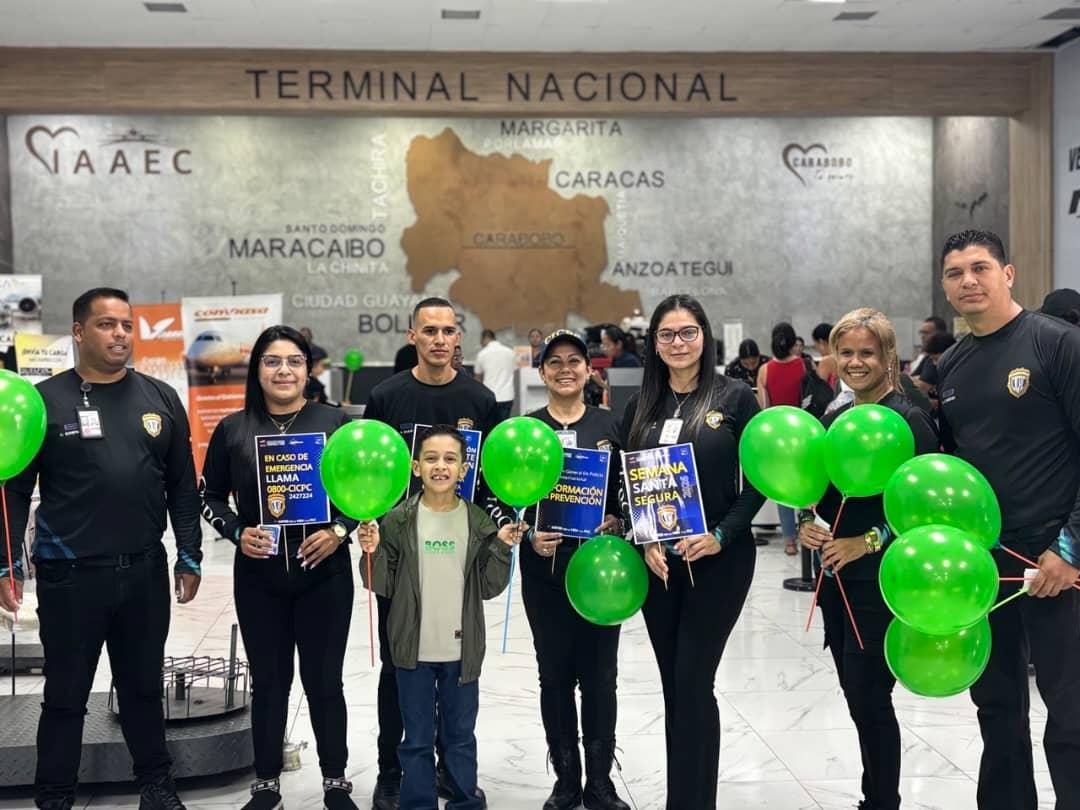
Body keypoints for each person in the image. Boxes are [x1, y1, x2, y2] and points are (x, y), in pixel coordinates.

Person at [0, 287, 202, 810]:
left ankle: (157, 788)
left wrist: (189, 552)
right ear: (78, 332)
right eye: (107, 325)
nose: (120, 334)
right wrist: (6, 562)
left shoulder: (160, 398)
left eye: (126, 325)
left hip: (143, 571)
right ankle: (54, 797)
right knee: (65, 697)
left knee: (143, 690)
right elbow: (14, 490)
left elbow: (182, 485)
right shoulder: (45, 401)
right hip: (70, 576)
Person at [199, 325, 376, 810]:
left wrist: (338, 530)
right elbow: (209, 496)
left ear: (308, 369)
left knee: (325, 682)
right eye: (272, 361)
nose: (284, 370)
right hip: (260, 574)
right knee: (270, 684)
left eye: (294, 361)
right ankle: (266, 784)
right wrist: (237, 531)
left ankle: (336, 780)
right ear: (257, 369)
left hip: (324, 571)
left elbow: (364, 492)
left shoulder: (334, 423)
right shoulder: (233, 428)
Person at [936, 229, 1080, 810]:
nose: (968, 281)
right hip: (985, 566)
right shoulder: (951, 364)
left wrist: (1070, 548)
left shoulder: (1057, 344)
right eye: (955, 273)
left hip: (1057, 564)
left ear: (1009, 274)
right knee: (996, 709)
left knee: (1071, 714)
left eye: (981, 268)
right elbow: (954, 468)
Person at [621, 295, 764, 810]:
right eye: (667, 334)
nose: (677, 343)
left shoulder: (736, 398)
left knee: (693, 680)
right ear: (654, 344)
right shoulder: (641, 406)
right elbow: (628, 485)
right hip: (659, 566)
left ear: (704, 336)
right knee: (674, 686)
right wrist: (644, 538)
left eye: (687, 332)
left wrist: (722, 534)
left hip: (719, 559)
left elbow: (761, 481)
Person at [364, 297, 504, 810]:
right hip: (402, 556)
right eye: (429, 331)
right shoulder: (386, 396)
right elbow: (371, 474)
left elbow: (490, 480)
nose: (439, 339)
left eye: (448, 331)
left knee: (455, 668)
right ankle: (392, 771)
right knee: (399, 668)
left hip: (458, 554)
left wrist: (496, 537)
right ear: (413, 336)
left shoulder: (480, 399)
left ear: (458, 338)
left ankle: (451, 771)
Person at [799, 308, 938, 810]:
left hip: (884, 580)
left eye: (866, 353)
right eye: (846, 353)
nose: (855, 362)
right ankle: (873, 796)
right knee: (857, 698)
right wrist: (806, 521)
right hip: (836, 579)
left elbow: (926, 508)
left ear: (888, 356)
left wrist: (869, 541)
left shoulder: (910, 420)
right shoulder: (834, 420)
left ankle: (882, 801)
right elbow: (816, 491)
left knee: (871, 697)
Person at [364, 426, 522, 810]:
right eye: (431, 458)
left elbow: (489, 587)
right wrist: (373, 551)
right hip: (412, 651)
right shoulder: (398, 520)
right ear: (415, 467)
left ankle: (465, 800)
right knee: (416, 739)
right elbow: (382, 583)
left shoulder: (478, 522)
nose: (440, 466)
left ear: (464, 469)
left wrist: (501, 548)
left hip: (461, 652)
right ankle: (418, 803)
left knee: (460, 737)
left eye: (450, 459)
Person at [521, 330, 629, 810]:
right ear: (541, 372)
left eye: (574, 361)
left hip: (600, 572)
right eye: (555, 362)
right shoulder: (526, 429)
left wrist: (619, 520)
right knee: (554, 676)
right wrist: (528, 532)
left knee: (601, 677)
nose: (565, 369)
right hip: (544, 569)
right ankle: (566, 778)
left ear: (589, 370)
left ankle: (600, 782)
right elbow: (501, 497)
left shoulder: (613, 425)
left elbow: (630, 492)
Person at [756, 322, 804, 555]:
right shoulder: (805, 365)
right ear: (795, 342)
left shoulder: (765, 370)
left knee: (783, 488)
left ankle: (789, 540)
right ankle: (809, 532)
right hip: (804, 433)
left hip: (778, 436)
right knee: (807, 485)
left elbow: (764, 408)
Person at [473, 328, 517, 422]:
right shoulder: (510, 352)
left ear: (485, 338)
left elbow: (477, 379)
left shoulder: (482, 354)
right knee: (503, 426)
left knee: (489, 427)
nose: (481, 343)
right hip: (507, 396)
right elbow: (515, 370)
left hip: (489, 397)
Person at [810, 322, 838, 387]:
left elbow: (819, 388)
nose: (816, 349)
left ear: (821, 341)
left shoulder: (826, 361)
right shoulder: (843, 355)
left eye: (816, 345)